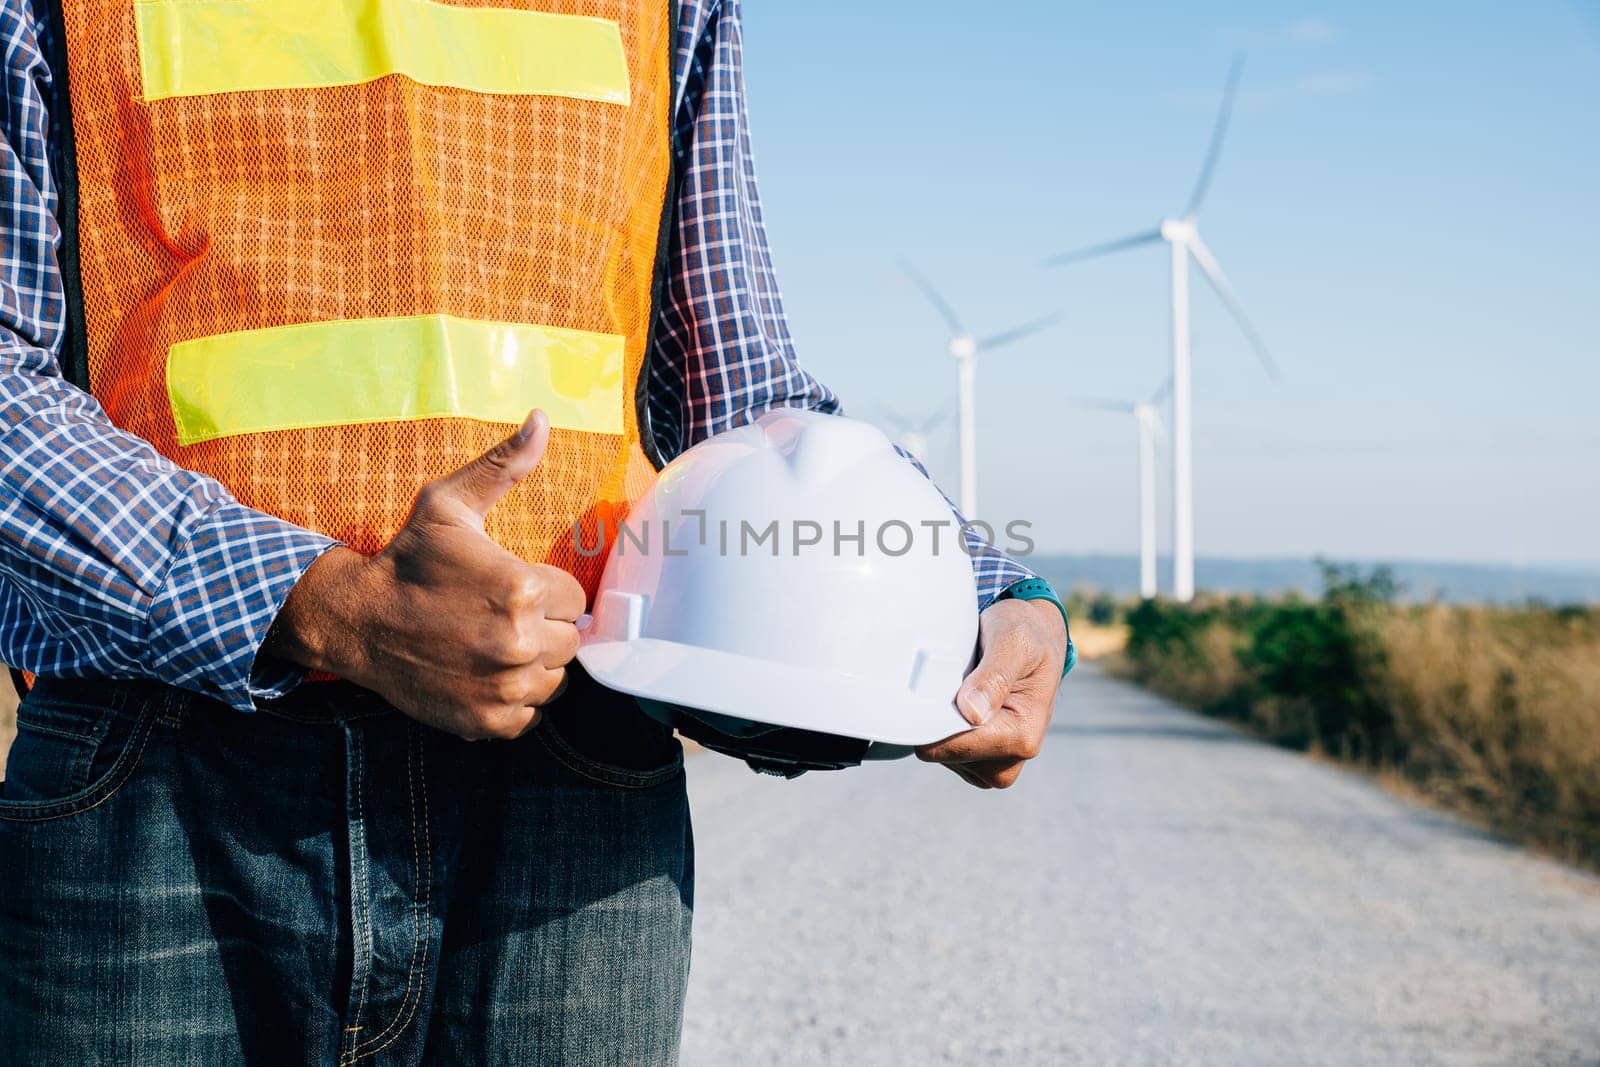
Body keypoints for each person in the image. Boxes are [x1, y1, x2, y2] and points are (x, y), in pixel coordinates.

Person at [0, 0, 1070, 1062]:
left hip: (567, 770)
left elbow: (733, 394)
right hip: (160, 773)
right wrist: (323, 602)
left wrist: (976, 592)